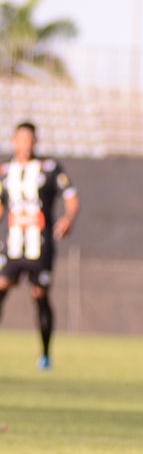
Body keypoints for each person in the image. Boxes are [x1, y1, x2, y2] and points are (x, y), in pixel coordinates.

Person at [0, 122, 77, 370]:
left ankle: (45, 355)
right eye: (21, 139)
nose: (25, 144)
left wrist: (68, 219)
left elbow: (72, 198)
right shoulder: (4, 171)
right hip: (12, 246)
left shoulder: (50, 168)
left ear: (35, 142)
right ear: (14, 141)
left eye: (29, 139)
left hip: (40, 246)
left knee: (40, 295)